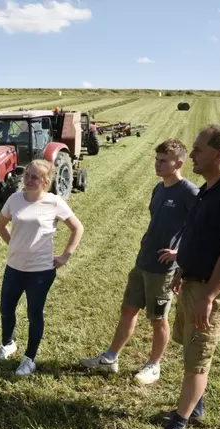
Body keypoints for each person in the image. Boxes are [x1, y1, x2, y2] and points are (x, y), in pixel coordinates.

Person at [141, 124, 220, 429]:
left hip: (215, 290)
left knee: (197, 361)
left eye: (198, 150)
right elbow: (198, 237)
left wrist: (208, 296)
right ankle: (196, 409)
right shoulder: (210, 189)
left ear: (218, 154)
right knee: (190, 350)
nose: (190, 154)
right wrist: (183, 270)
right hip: (195, 281)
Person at [80, 139, 199, 384]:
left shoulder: (189, 192)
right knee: (128, 309)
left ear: (179, 163)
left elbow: (201, 229)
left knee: (158, 318)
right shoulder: (159, 188)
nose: (157, 164)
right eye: (156, 159)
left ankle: (154, 365)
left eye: (163, 161)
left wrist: (180, 255)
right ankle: (110, 358)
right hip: (143, 261)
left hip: (163, 269)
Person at [0, 159, 84, 375]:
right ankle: (8, 343)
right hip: (14, 267)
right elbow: (0, 224)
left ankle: (29, 358)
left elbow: (77, 228)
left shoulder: (54, 202)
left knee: (34, 314)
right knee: (6, 309)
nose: (29, 180)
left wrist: (65, 256)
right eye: (26, 175)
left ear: (45, 181)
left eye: (34, 177)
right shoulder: (14, 199)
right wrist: (13, 244)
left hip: (40, 271)